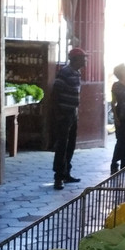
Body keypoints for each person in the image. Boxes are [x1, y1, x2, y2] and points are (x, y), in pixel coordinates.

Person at [51, 47, 87, 190]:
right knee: (62, 145)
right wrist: (58, 113)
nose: (85, 60)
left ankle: (66, 172)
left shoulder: (76, 73)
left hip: (72, 113)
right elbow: (55, 93)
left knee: (70, 144)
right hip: (64, 114)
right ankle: (58, 177)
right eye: (83, 58)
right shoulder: (65, 73)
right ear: (75, 59)